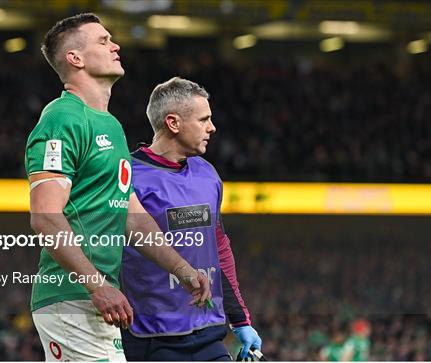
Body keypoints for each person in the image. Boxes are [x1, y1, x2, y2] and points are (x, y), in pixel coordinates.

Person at [25, 14, 210, 361]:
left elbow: (133, 217)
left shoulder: (110, 126)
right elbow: (45, 217)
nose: (116, 46)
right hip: (72, 297)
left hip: (93, 301)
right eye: (103, 40)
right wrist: (97, 286)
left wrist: (181, 269)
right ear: (75, 58)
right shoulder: (62, 117)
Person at [120, 77, 262, 361]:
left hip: (208, 334)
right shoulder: (129, 175)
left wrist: (240, 319)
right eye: (204, 119)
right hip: (151, 339)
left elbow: (218, 249)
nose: (212, 127)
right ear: (173, 123)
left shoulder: (207, 173)